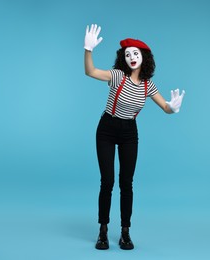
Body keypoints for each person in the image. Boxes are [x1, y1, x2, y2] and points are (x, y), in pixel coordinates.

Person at [84, 24, 185, 250]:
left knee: (126, 183)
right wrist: (88, 50)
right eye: (127, 54)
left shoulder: (148, 86)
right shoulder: (118, 76)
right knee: (107, 181)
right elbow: (90, 72)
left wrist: (173, 107)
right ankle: (102, 230)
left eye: (135, 54)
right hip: (107, 129)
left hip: (130, 132)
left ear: (144, 58)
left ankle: (125, 232)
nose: (131, 57)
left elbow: (165, 108)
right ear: (123, 58)